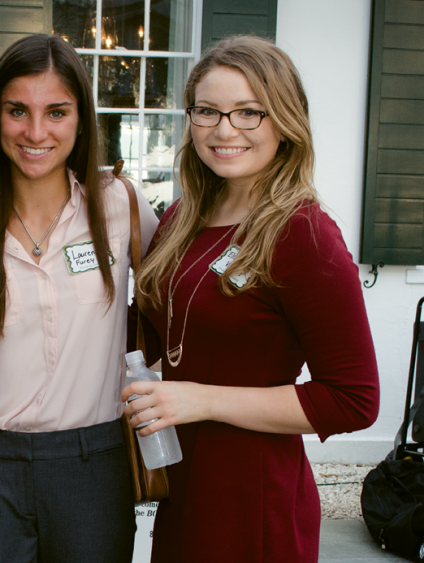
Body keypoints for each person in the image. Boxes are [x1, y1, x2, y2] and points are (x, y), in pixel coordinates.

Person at [123, 35, 380, 562]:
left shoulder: (304, 234)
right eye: (208, 111)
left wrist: (201, 399)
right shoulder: (182, 218)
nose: (224, 130)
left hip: (252, 496)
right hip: (183, 484)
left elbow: (354, 399)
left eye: (248, 112)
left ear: (284, 121)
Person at [0, 34, 159, 563]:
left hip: (95, 461)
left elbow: (179, 301)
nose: (35, 132)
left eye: (56, 112)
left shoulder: (120, 207)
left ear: (81, 120)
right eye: (17, 110)